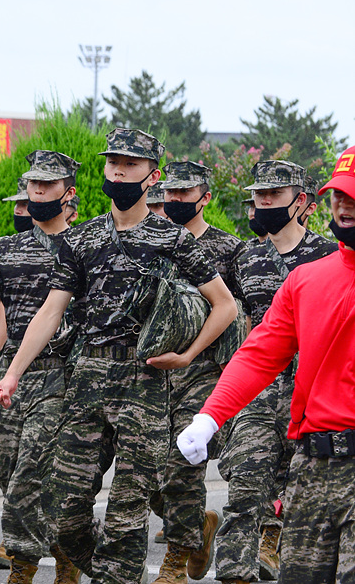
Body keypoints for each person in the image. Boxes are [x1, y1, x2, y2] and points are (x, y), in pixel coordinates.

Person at [0, 128, 236, 584]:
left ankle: (117, 574)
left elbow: (225, 305)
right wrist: (12, 375)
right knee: (63, 508)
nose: (119, 170)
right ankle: (109, 570)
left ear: (153, 176)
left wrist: (188, 356)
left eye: (131, 164)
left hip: (144, 383)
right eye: (112, 163)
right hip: (87, 380)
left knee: (127, 513)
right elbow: (51, 311)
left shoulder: (172, 239)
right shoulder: (81, 240)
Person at [178, 144, 355, 583]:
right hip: (314, 467)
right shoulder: (307, 281)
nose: (345, 204)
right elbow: (258, 354)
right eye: (340, 193)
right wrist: (210, 416)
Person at [211, 159, 334, 584]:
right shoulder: (245, 258)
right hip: (259, 389)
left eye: (274, 194)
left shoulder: (329, 255)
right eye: (259, 194)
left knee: (302, 492)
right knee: (245, 480)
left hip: (313, 392)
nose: (264, 201)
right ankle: (233, 571)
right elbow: (235, 316)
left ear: (300, 201)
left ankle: (277, 540)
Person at [0, 150, 82, 584]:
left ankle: (23, 568)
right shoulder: (4, 249)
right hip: (13, 371)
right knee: (8, 470)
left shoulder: (83, 247)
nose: (38, 191)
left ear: (68, 192)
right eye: (33, 184)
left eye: (48, 185)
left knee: (30, 473)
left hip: (63, 373)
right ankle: (67, 550)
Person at [149, 161, 245, 583]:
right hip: (151, 372)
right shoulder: (153, 241)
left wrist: (193, 353)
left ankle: (176, 557)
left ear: (205, 197)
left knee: (180, 466)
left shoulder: (229, 250)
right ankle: (197, 527)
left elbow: (240, 313)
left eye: (185, 194)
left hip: (201, 371)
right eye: (170, 193)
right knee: (147, 471)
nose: (175, 201)